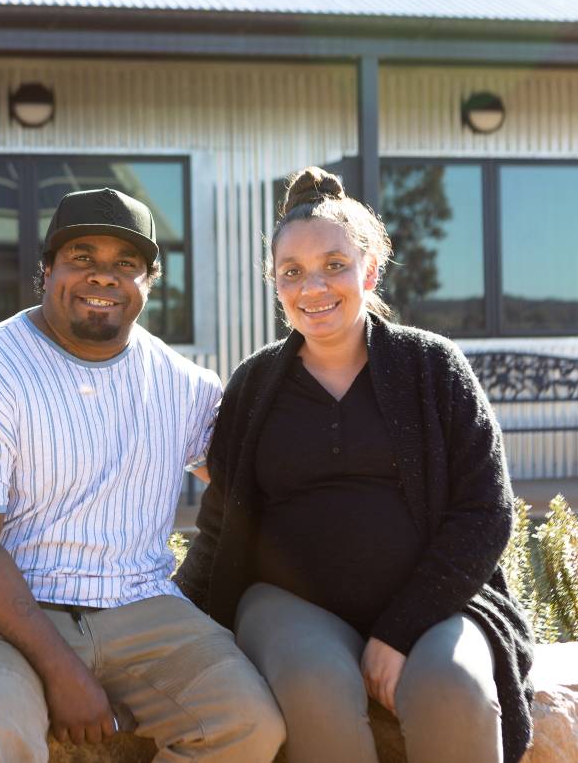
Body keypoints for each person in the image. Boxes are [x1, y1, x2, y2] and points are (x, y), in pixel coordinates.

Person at [0, 187, 285, 763]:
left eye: (125, 264)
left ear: (148, 283)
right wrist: (62, 672)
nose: (103, 277)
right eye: (82, 258)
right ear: (47, 271)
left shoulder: (180, 384)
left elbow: (256, 484)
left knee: (246, 722)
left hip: (136, 602)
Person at [176, 168, 534, 763]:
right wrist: (174, 624)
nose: (313, 286)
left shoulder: (432, 368)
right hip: (288, 606)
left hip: (432, 602)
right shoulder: (256, 383)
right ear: (277, 285)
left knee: (456, 690)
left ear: (368, 271)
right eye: (292, 272)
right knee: (315, 688)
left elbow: (484, 513)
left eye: (334, 264)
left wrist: (398, 630)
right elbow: (219, 528)